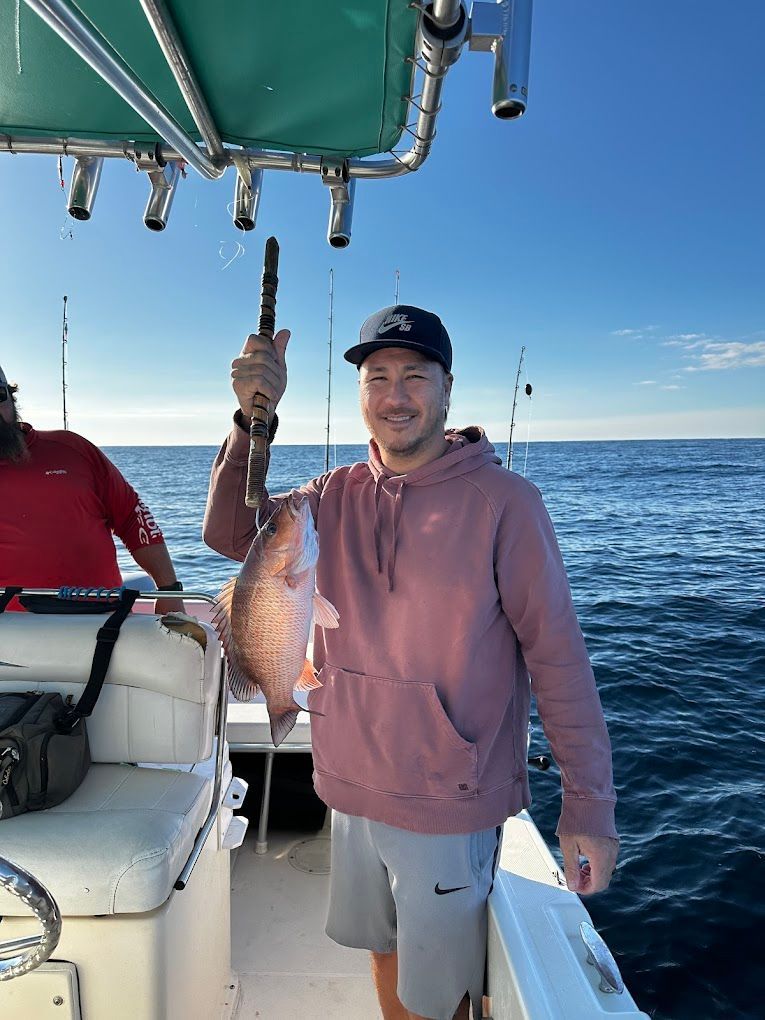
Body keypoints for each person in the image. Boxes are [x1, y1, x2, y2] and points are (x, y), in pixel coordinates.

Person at [203, 305, 619, 1020]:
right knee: (383, 950)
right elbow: (231, 534)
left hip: (447, 800)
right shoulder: (329, 494)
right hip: (347, 779)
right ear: (360, 392)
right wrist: (249, 422)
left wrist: (588, 804)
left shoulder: (506, 503)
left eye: (414, 376)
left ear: (447, 388)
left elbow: (557, 657)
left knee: (443, 991)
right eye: (377, 377)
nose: (394, 396)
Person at [0, 362, 184, 614]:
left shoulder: (72, 449)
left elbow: (133, 517)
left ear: (12, 398)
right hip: (9, 635)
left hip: (101, 625)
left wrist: (169, 591)